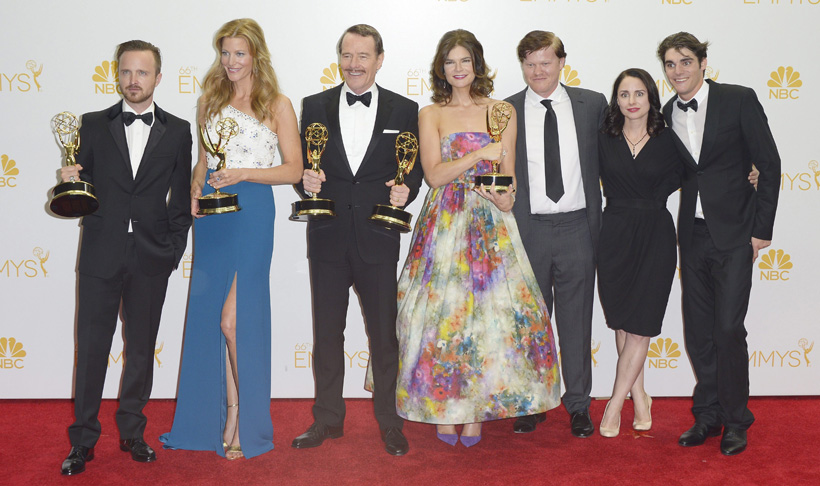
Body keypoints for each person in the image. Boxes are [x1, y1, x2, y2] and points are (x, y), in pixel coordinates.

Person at [396, 29, 561, 448]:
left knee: (494, 319)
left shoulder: (502, 110)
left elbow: (508, 176)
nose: (458, 69)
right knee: (443, 319)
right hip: (446, 221)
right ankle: (444, 408)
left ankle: (476, 412)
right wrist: (475, 156)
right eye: (450, 62)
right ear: (441, 68)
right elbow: (434, 175)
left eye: (464, 61)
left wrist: (508, 199)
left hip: (491, 223)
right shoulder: (431, 113)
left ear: (477, 64)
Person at [159, 18, 302, 460]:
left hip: (253, 212)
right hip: (213, 217)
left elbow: (293, 170)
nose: (231, 61)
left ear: (256, 55)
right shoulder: (209, 101)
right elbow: (202, 162)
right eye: (225, 53)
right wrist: (194, 190)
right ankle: (221, 415)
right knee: (211, 321)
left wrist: (244, 173)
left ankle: (245, 418)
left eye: (240, 53)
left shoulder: (277, 103)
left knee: (233, 320)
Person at [60, 40, 192, 476]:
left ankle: (134, 432)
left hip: (151, 255)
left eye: (142, 73)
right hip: (100, 252)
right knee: (92, 349)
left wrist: (173, 249)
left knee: (140, 350)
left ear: (158, 76)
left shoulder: (177, 130)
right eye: (126, 72)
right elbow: (81, 187)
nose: (133, 81)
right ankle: (82, 440)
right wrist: (69, 177)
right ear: (117, 75)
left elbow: (180, 197)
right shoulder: (93, 124)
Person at [291, 24, 423, 457]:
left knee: (384, 338)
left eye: (363, 56)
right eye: (347, 55)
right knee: (327, 335)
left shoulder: (406, 109)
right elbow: (303, 169)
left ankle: (390, 421)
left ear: (380, 60)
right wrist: (305, 182)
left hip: (378, 236)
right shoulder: (314, 105)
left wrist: (409, 190)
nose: (354, 64)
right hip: (327, 236)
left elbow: (414, 167)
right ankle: (327, 419)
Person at [658, 32, 780, 456]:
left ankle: (736, 420)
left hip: (735, 233)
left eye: (686, 62)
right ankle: (706, 416)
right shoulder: (666, 112)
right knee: (699, 334)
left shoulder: (738, 98)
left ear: (704, 62)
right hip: (691, 236)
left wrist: (762, 229)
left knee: (728, 329)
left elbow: (768, 162)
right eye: (671, 64)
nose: (678, 71)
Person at [505, 31, 607, 437]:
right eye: (530, 64)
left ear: (562, 62)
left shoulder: (592, 104)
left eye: (545, 62)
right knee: (529, 322)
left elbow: (626, 148)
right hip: (527, 228)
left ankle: (578, 404)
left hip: (578, 226)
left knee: (577, 322)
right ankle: (530, 402)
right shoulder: (506, 110)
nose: (538, 71)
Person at [595, 69, 682, 438]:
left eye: (639, 94)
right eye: (624, 94)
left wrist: (751, 173)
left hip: (655, 236)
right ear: (616, 100)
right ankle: (640, 395)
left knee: (641, 326)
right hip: (613, 232)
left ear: (651, 99)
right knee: (622, 322)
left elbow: (704, 170)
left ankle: (614, 405)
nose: (631, 101)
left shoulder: (670, 140)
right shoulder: (603, 138)